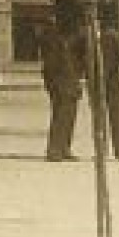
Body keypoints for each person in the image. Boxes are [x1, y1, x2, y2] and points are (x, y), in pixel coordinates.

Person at [39, 16, 83, 161]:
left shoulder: (63, 40)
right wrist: (56, 84)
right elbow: (51, 66)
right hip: (63, 85)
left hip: (68, 83)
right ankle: (55, 150)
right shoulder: (54, 40)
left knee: (68, 117)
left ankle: (63, 148)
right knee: (61, 117)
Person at [97, 23, 119, 161]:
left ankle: (102, 150)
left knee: (99, 117)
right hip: (113, 83)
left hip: (97, 82)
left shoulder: (94, 36)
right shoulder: (114, 36)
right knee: (116, 118)